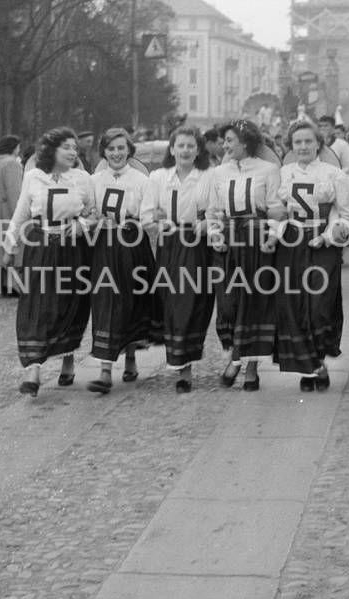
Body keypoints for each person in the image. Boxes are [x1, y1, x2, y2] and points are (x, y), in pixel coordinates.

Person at [3, 127, 95, 396]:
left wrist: (81, 224)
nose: (72, 152)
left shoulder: (82, 178)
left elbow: (94, 212)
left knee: (70, 303)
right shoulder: (33, 177)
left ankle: (68, 360)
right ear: (51, 149)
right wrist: (10, 246)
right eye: (66, 147)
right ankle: (34, 370)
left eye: (75, 148)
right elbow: (21, 214)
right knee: (36, 303)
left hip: (73, 248)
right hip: (41, 244)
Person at [270, 120, 349, 392]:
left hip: (322, 244)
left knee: (320, 304)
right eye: (298, 142)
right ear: (291, 146)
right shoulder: (283, 174)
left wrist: (329, 236)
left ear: (319, 143)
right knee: (294, 304)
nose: (303, 147)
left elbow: (347, 215)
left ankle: (319, 358)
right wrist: (279, 231)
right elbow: (274, 211)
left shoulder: (334, 174)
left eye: (308, 141)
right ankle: (309, 368)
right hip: (291, 244)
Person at [207, 118, 282, 392]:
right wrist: (215, 234)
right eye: (224, 140)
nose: (224, 145)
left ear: (246, 142)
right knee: (228, 303)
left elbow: (275, 209)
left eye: (229, 141)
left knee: (253, 304)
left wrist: (272, 236)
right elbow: (213, 210)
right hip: (227, 240)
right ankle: (236, 356)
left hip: (256, 238)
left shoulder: (269, 170)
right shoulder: (220, 172)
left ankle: (245, 366)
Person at [141, 126, 216, 393]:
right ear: (171, 149)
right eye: (180, 145)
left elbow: (215, 211)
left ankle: (186, 364)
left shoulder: (208, 176)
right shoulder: (158, 177)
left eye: (191, 146)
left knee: (194, 302)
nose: (185, 151)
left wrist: (206, 224)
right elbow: (147, 215)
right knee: (173, 301)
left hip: (198, 246)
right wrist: (161, 226)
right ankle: (179, 361)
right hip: (170, 245)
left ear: (198, 150)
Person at [87, 127, 158, 394]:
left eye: (120, 148)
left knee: (130, 303)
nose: (116, 154)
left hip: (132, 247)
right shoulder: (95, 180)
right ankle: (105, 371)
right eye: (110, 149)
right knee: (105, 303)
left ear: (129, 150)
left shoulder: (142, 181)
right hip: (104, 248)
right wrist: (93, 220)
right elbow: (88, 211)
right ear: (103, 152)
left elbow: (148, 217)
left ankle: (130, 357)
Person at [0, 135, 24, 295]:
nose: (19, 150)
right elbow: (14, 191)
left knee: (0, 247)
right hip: (9, 209)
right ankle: (14, 285)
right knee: (13, 245)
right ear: (13, 147)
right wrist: (20, 214)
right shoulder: (12, 164)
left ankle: (4, 284)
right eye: (18, 146)